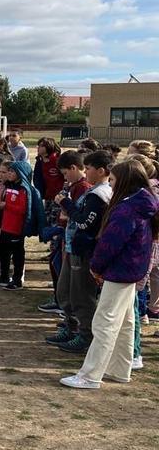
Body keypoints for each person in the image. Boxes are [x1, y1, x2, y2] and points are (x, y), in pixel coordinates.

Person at [61, 160, 159, 389]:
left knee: (104, 321)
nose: (110, 185)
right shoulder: (141, 205)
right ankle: (119, 368)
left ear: (124, 181)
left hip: (120, 270)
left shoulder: (126, 209)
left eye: (113, 180)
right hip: (131, 269)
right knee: (125, 322)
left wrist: (97, 265)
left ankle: (90, 375)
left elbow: (110, 243)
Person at [48, 150, 112, 354]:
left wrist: (65, 204)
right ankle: (72, 327)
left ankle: (85, 336)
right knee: (65, 290)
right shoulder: (93, 191)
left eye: (90, 168)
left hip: (85, 251)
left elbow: (85, 222)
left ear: (101, 171)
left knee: (81, 295)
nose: (87, 171)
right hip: (74, 247)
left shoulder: (98, 194)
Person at [0, 160, 45, 290]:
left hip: (16, 228)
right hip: (5, 225)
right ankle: (4, 276)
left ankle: (17, 279)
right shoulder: (10, 186)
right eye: (8, 171)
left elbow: (22, 209)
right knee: (2, 251)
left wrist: (6, 205)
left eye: (12, 171)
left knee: (17, 254)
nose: (9, 174)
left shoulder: (23, 189)